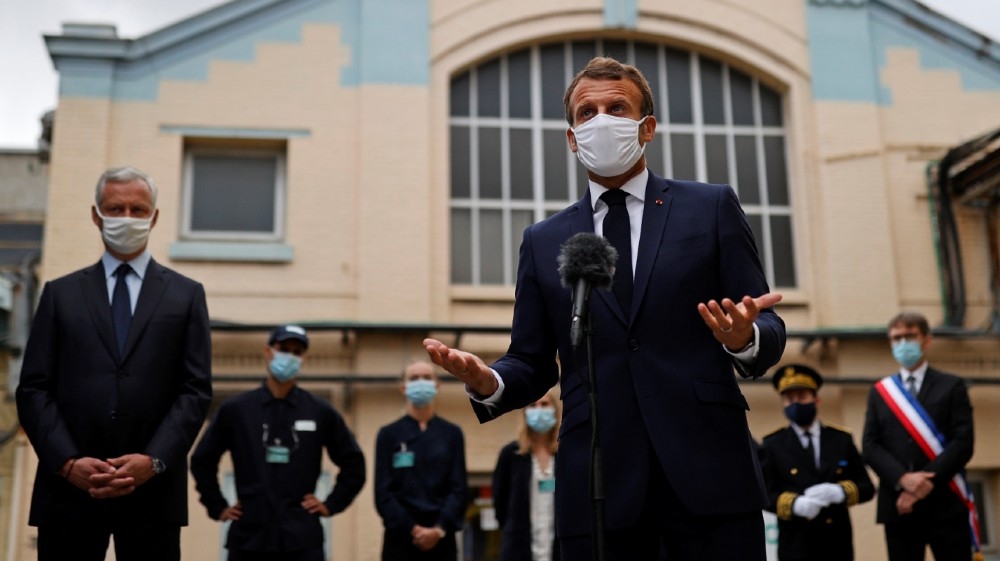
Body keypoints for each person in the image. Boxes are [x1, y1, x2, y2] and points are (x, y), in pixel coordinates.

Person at [424, 56, 786, 560]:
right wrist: (490, 383)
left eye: (617, 108)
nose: (601, 120)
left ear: (647, 127)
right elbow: (530, 360)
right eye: (586, 112)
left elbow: (764, 318)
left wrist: (743, 338)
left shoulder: (710, 207)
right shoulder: (543, 239)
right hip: (597, 482)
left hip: (708, 472)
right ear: (572, 138)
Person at [14, 166, 213, 561]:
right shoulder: (60, 294)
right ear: (96, 214)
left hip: (152, 494)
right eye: (115, 208)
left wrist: (154, 460)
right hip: (68, 492)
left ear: (154, 217)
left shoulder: (186, 296)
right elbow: (34, 387)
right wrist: (68, 462)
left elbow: (194, 391)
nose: (126, 218)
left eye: (137, 210)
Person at [190, 324, 366, 561]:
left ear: (303, 358)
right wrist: (217, 505)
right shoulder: (237, 410)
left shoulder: (319, 411)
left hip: (302, 539)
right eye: (283, 349)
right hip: (250, 537)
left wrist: (331, 504)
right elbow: (202, 459)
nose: (289, 356)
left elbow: (354, 463)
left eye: (296, 352)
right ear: (268, 351)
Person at [862, 312, 979, 561]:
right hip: (898, 507)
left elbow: (963, 442)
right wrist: (903, 479)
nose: (903, 344)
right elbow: (870, 446)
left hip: (946, 502)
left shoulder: (952, 386)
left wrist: (921, 486)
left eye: (910, 336)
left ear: (926, 340)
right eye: (897, 338)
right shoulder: (880, 392)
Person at [759, 364, 874, 561]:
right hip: (796, 545)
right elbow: (765, 494)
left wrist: (840, 492)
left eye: (801, 396)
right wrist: (794, 504)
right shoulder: (773, 444)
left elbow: (867, 487)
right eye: (788, 398)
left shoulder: (841, 439)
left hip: (836, 544)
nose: (795, 403)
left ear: (816, 399)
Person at [374, 361, 468, 561]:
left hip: (442, 538)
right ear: (403, 387)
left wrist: (439, 529)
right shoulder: (388, 434)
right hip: (400, 539)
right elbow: (383, 493)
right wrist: (412, 528)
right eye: (414, 378)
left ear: (437, 385)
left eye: (427, 377)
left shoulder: (451, 434)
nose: (421, 383)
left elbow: (458, 488)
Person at [492, 390, 561, 561]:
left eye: (544, 404)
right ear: (525, 413)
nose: (539, 409)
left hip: (560, 548)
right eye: (533, 405)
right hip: (519, 548)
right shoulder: (511, 454)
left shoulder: (566, 453)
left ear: (555, 410)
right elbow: (500, 503)